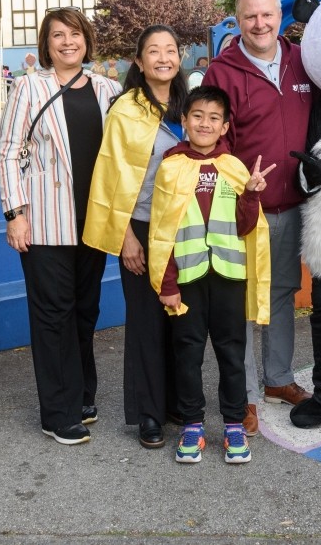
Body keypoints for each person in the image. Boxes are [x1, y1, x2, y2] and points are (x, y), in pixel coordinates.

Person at [0, 6, 121, 445]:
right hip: (46, 223)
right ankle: (57, 411)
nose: (68, 42)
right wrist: (15, 214)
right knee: (53, 316)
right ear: (45, 45)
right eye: (57, 36)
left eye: (75, 34)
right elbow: (10, 152)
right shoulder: (29, 87)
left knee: (85, 312)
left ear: (87, 39)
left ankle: (83, 394)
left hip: (94, 223)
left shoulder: (109, 89)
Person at [202, 0, 315, 435]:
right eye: (250, 17)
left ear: (278, 15)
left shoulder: (303, 59)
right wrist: (236, 195)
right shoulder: (221, 71)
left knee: (283, 293)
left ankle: (278, 379)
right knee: (244, 304)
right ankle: (244, 393)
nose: (260, 24)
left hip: (295, 204)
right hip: (246, 208)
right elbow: (214, 139)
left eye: (267, 15)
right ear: (238, 20)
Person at [147, 86, 272, 464]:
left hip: (228, 277)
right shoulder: (170, 166)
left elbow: (245, 227)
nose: (205, 123)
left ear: (225, 126)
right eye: (197, 115)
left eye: (214, 118)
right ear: (183, 121)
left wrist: (250, 194)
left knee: (232, 352)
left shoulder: (234, 167)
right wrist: (166, 284)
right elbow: (161, 231)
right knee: (187, 353)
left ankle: (234, 424)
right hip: (186, 278)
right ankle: (193, 424)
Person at [83, 25, 189, 449]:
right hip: (142, 225)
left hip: (187, 225)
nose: (163, 57)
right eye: (153, 51)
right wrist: (126, 236)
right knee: (146, 321)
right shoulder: (126, 109)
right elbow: (111, 177)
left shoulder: (191, 105)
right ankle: (148, 413)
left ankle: (179, 401)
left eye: (170, 50)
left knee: (183, 317)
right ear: (139, 62)